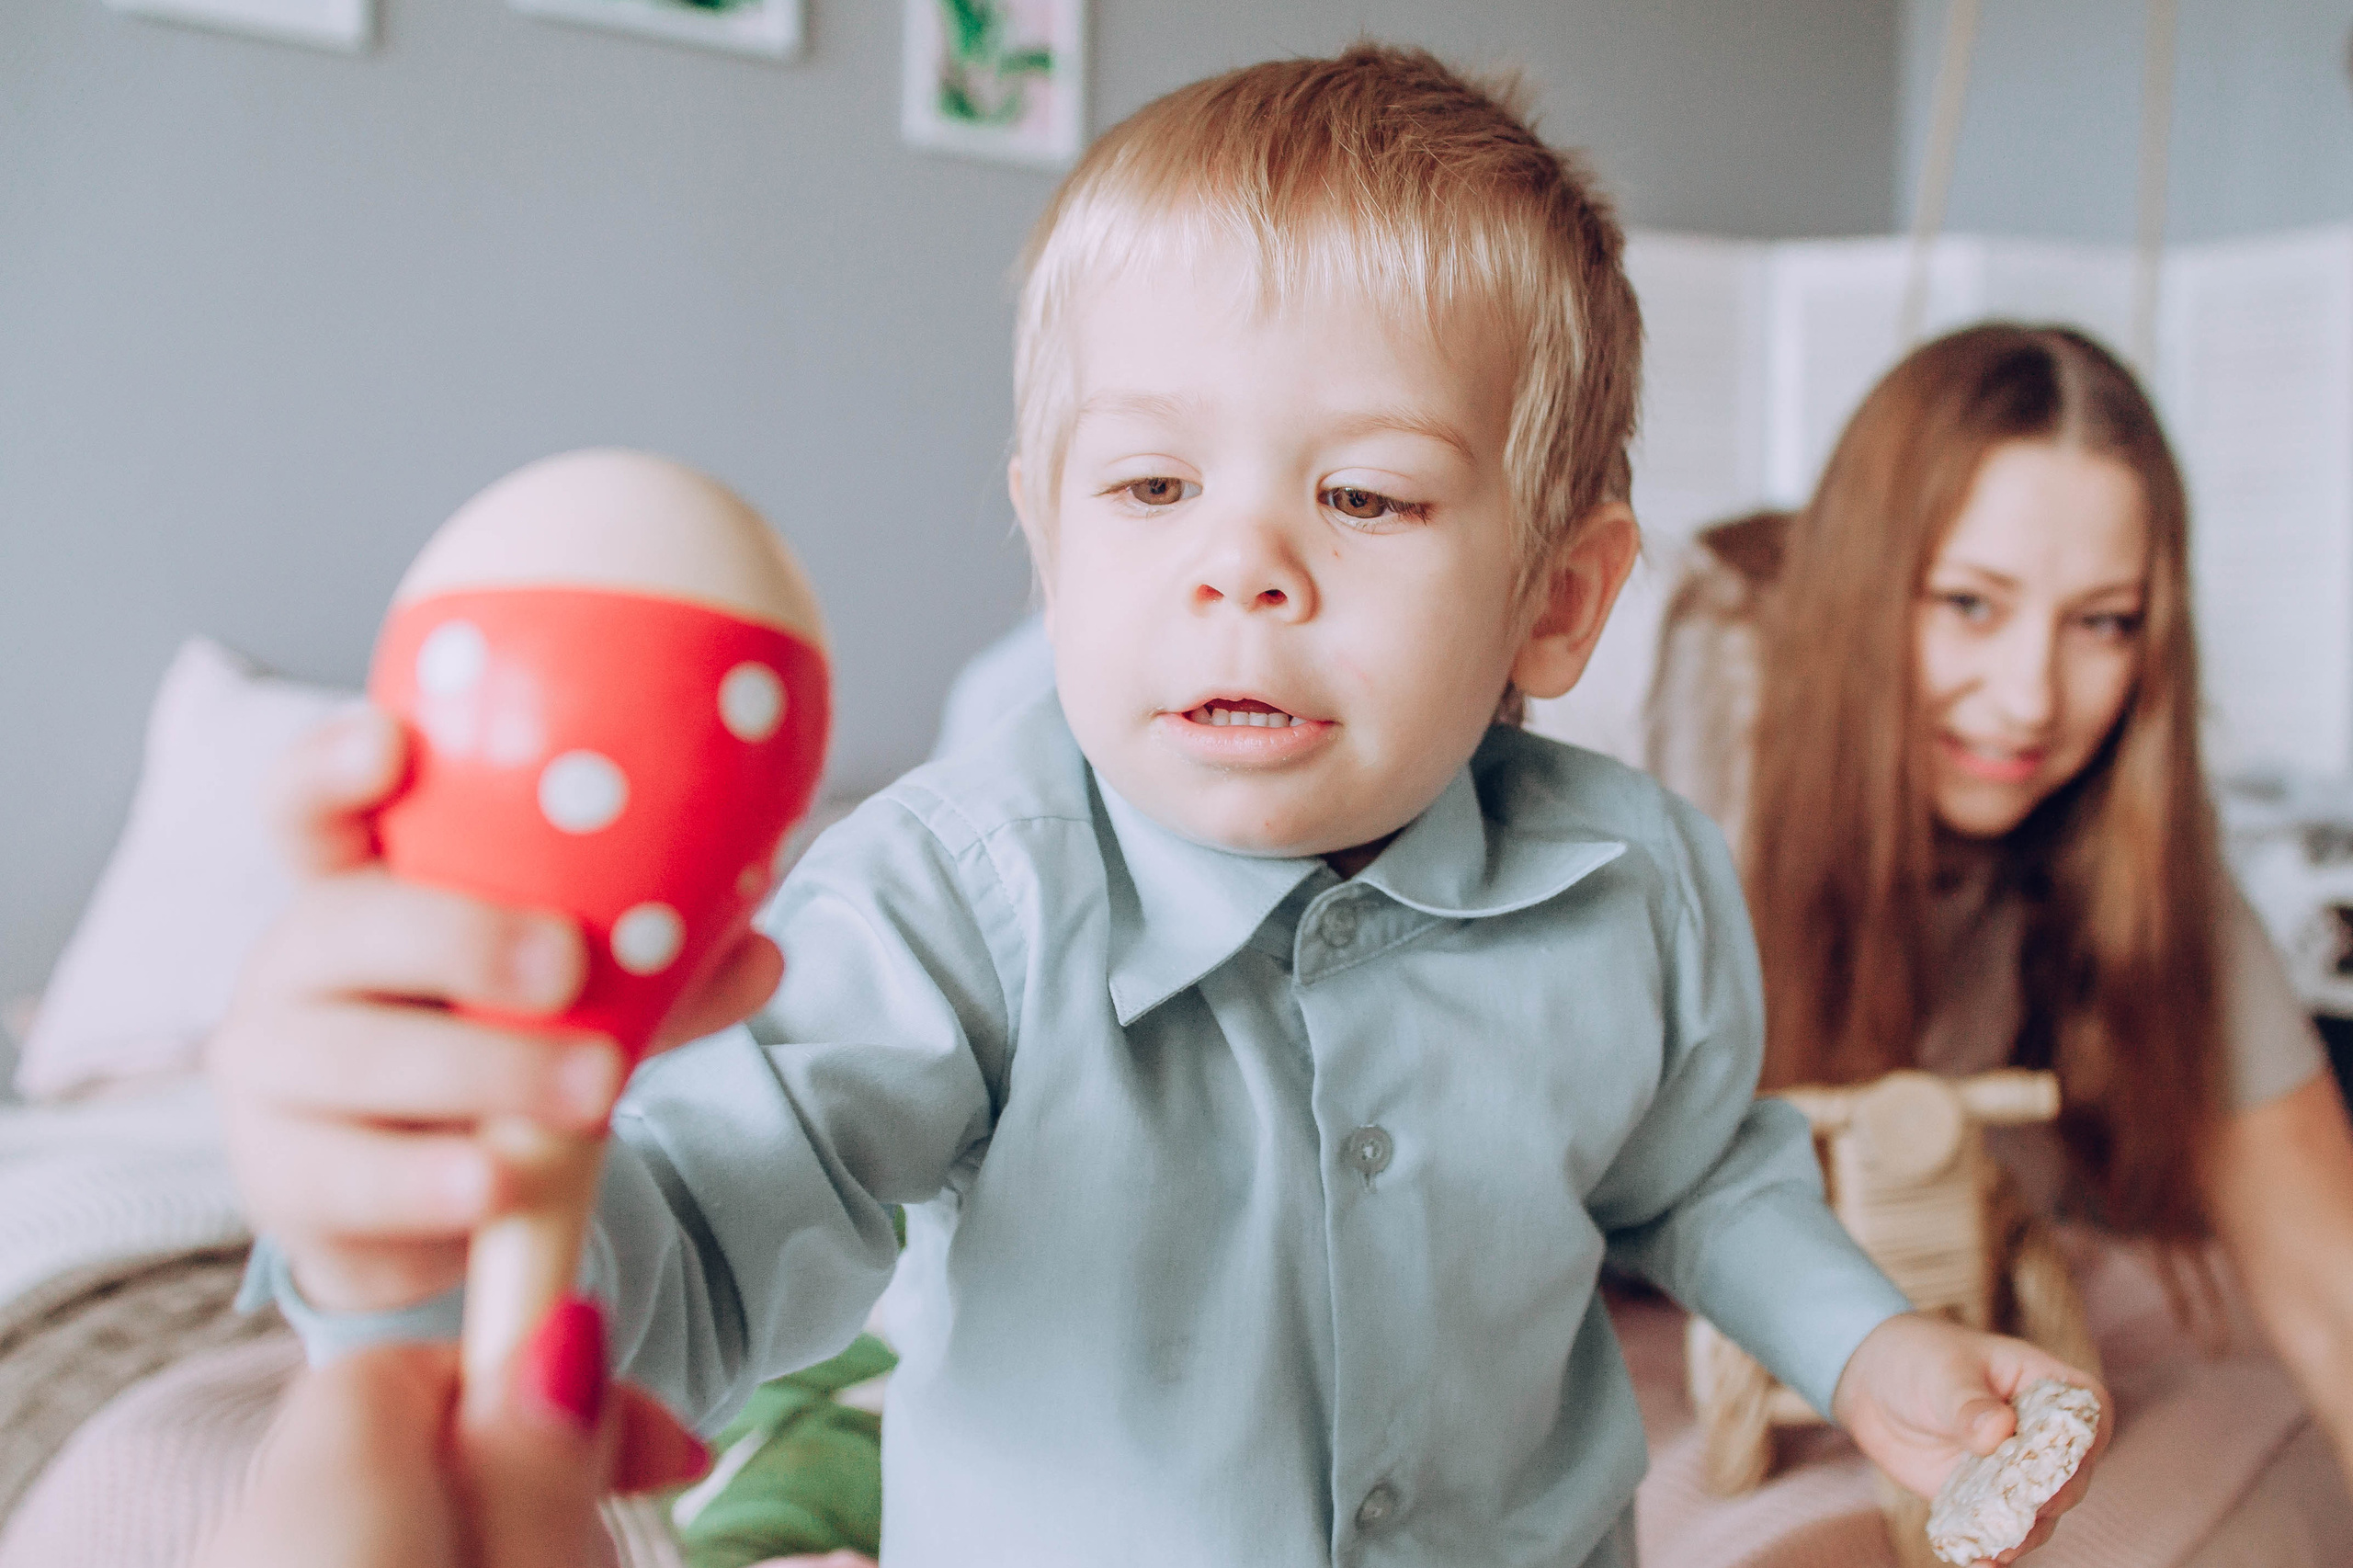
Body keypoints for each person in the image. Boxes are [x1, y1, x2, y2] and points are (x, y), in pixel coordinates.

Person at [211, 50, 2108, 1566]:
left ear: (1555, 600)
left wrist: (1865, 1343)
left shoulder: (1636, 882)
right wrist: (438, 1232)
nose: (1239, 567)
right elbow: (698, 1237)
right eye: (1146, 490)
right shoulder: (958, 896)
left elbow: (1699, 1178)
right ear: (1046, 536)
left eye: (1362, 497)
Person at [1646, 323, 2353, 1557]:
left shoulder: (2141, 840)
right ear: (1862, 595)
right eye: (1969, 604)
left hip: (1967, 1308)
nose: (2030, 699)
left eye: (2105, 623)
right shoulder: (1690, 764)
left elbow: (2329, 1283)